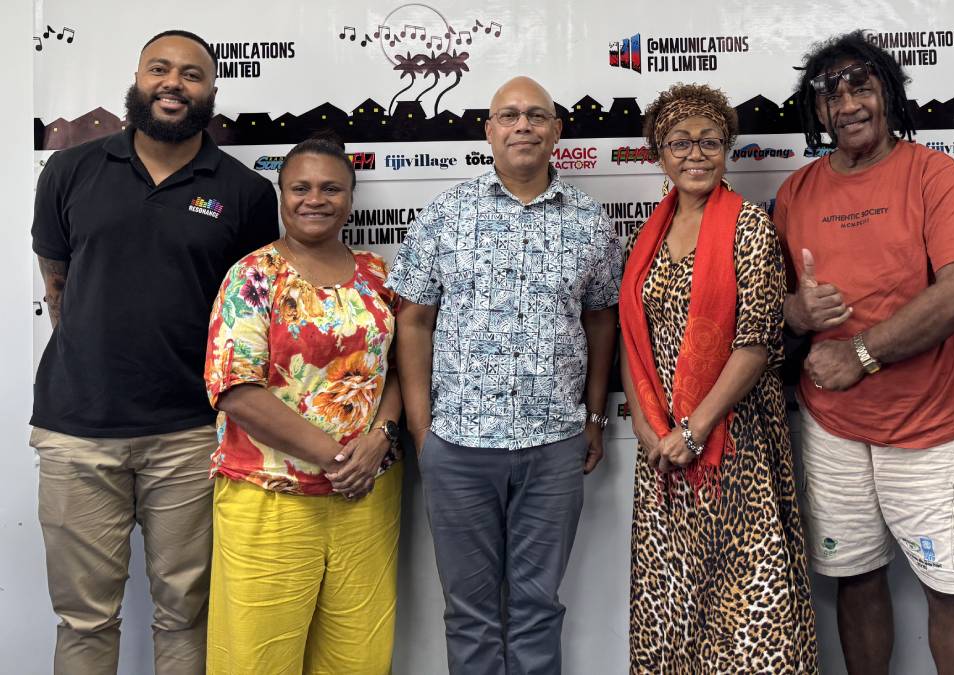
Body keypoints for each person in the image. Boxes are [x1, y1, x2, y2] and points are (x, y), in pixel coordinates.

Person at [29, 30, 278, 675]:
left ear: (211, 91)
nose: (173, 83)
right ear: (138, 79)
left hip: (191, 435)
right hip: (77, 431)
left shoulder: (246, 193)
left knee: (185, 615)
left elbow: (248, 313)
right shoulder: (70, 170)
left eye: (191, 74)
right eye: (159, 69)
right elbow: (56, 282)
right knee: (83, 620)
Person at [388, 75, 622, 675]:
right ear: (488, 130)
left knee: (538, 607)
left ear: (557, 131)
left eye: (537, 115)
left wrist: (595, 417)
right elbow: (413, 320)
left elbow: (602, 320)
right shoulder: (445, 214)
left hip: (555, 446)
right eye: (510, 116)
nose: (524, 126)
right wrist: (422, 430)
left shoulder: (590, 221)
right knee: (469, 613)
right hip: (458, 446)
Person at [775, 31, 954, 674]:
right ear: (817, 110)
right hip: (833, 427)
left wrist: (861, 353)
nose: (847, 105)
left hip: (929, 424)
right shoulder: (797, 190)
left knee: (951, 588)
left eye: (861, 88)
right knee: (857, 578)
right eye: (830, 95)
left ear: (888, 95)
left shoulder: (933, 173)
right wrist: (796, 313)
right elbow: (772, 303)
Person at [619, 83, 820, 673]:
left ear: (727, 148)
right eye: (679, 143)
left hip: (734, 442)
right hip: (663, 451)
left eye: (709, 141)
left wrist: (695, 429)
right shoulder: (648, 236)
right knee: (673, 604)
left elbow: (755, 343)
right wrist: (648, 429)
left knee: (748, 605)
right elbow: (634, 339)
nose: (695, 155)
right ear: (659, 153)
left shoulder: (749, 227)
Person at [203, 135, 402, 673]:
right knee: (257, 660)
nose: (315, 199)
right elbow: (236, 389)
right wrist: (338, 459)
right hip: (270, 498)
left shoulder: (378, 275)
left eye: (331, 188)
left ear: (350, 198)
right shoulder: (253, 276)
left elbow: (398, 369)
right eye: (301, 188)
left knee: (357, 658)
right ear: (282, 195)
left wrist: (381, 437)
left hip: (366, 497)